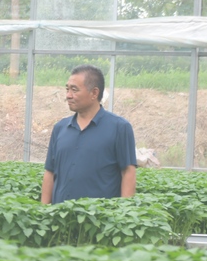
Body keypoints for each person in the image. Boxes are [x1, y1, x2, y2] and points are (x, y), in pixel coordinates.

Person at [41, 64, 137, 205]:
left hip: (101, 220)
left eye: (74, 90)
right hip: (60, 218)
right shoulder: (60, 128)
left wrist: (124, 215)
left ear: (94, 93)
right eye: (67, 89)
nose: (68, 95)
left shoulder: (119, 127)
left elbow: (128, 172)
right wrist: (44, 212)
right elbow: (50, 172)